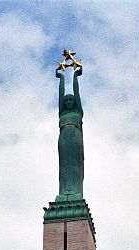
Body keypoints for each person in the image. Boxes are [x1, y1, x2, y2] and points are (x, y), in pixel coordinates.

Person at [55, 65, 84, 197]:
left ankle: (76, 190)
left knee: (74, 163)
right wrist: (61, 78)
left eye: (71, 100)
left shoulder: (78, 112)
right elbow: (60, 95)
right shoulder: (62, 113)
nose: (68, 102)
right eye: (66, 100)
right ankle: (63, 191)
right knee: (64, 165)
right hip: (64, 136)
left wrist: (75, 76)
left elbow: (76, 93)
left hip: (75, 135)